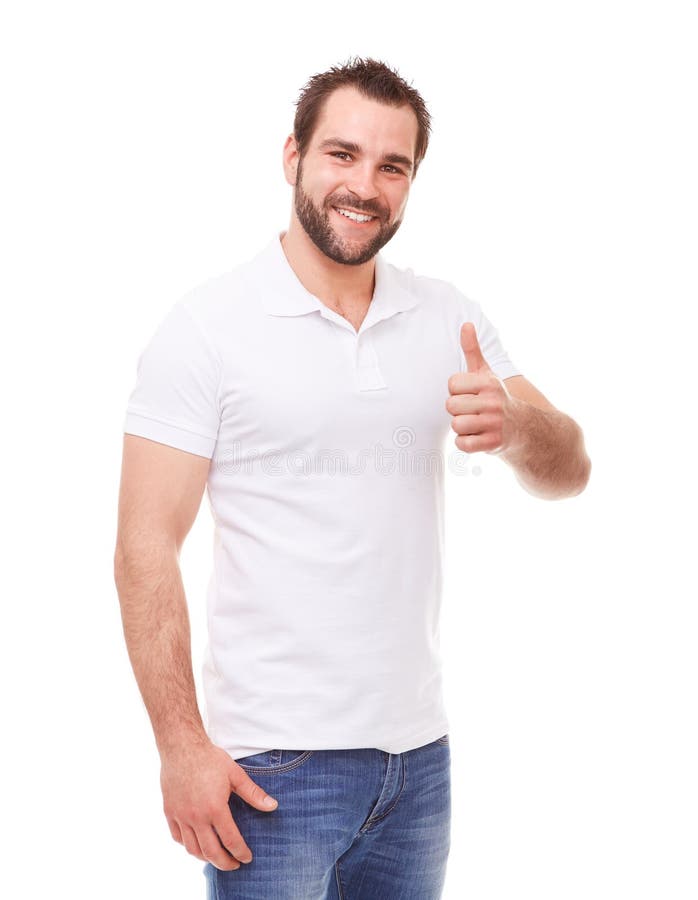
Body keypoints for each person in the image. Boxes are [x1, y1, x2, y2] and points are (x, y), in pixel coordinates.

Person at [114, 57, 591, 899]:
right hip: (272, 769)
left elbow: (570, 471)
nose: (364, 185)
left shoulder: (449, 316)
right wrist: (181, 748)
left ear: (411, 181)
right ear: (292, 156)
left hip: (419, 765)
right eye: (342, 154)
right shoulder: (206, 328)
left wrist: (518, 430)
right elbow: (145, 546)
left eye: (392, 165)